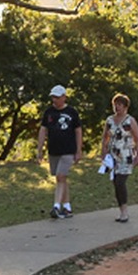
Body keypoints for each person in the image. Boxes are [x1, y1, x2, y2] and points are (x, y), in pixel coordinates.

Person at [36, 85, 83, 219]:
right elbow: (43, 130)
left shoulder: (72, 112)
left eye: (57, 97)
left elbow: (78, 131)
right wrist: (40, 149)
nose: (54, 100)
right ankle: (67, 207)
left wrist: (78, 150)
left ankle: (56, 206)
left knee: (60, 177)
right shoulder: (49, 112)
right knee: (61, 178)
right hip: (53, 150)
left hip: (68, 150)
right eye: (53, 97)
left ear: (64, 97)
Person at [100, 93, 138, 223]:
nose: (117, 107)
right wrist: (103, 150)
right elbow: (105, 137)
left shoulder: (130, 120)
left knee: (120, 182)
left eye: (119, 105)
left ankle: (124, 211)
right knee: (115, 183)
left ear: (125, 107)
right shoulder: (109, 120)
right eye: (115, 105)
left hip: (126, 155)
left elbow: (137, 138)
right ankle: (121, 209)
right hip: (113, 155)